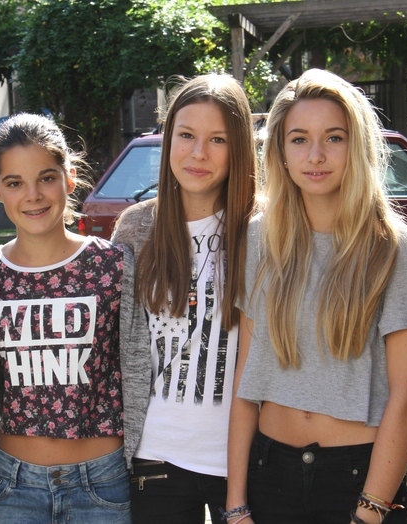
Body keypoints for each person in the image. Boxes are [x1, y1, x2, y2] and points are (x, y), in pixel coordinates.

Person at [226, 68, 407, 524]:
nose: (315, 155)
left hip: (359, 479)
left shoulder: (395, 248)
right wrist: (236, 504)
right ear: (280, 151)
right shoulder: (260, 239)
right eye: (299, 139)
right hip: (268, 474)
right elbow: (245, 380)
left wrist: (369, 511)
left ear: (356, 146)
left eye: (333, 138)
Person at [111, 74, 256, 523]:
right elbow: (118, 346)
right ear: (168, 138)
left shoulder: (263, 230)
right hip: (155, 458)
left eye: (218, 140)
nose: (198, 153)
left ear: (239, 148)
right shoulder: (137, 227)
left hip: (247, 461)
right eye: (187, 135)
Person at [0, 113, 133, 524]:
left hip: (101, 483)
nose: (33, 195)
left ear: (69, 178)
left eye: (46, 178)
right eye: (15, 183)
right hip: (14, 486)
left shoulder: (113, 264)